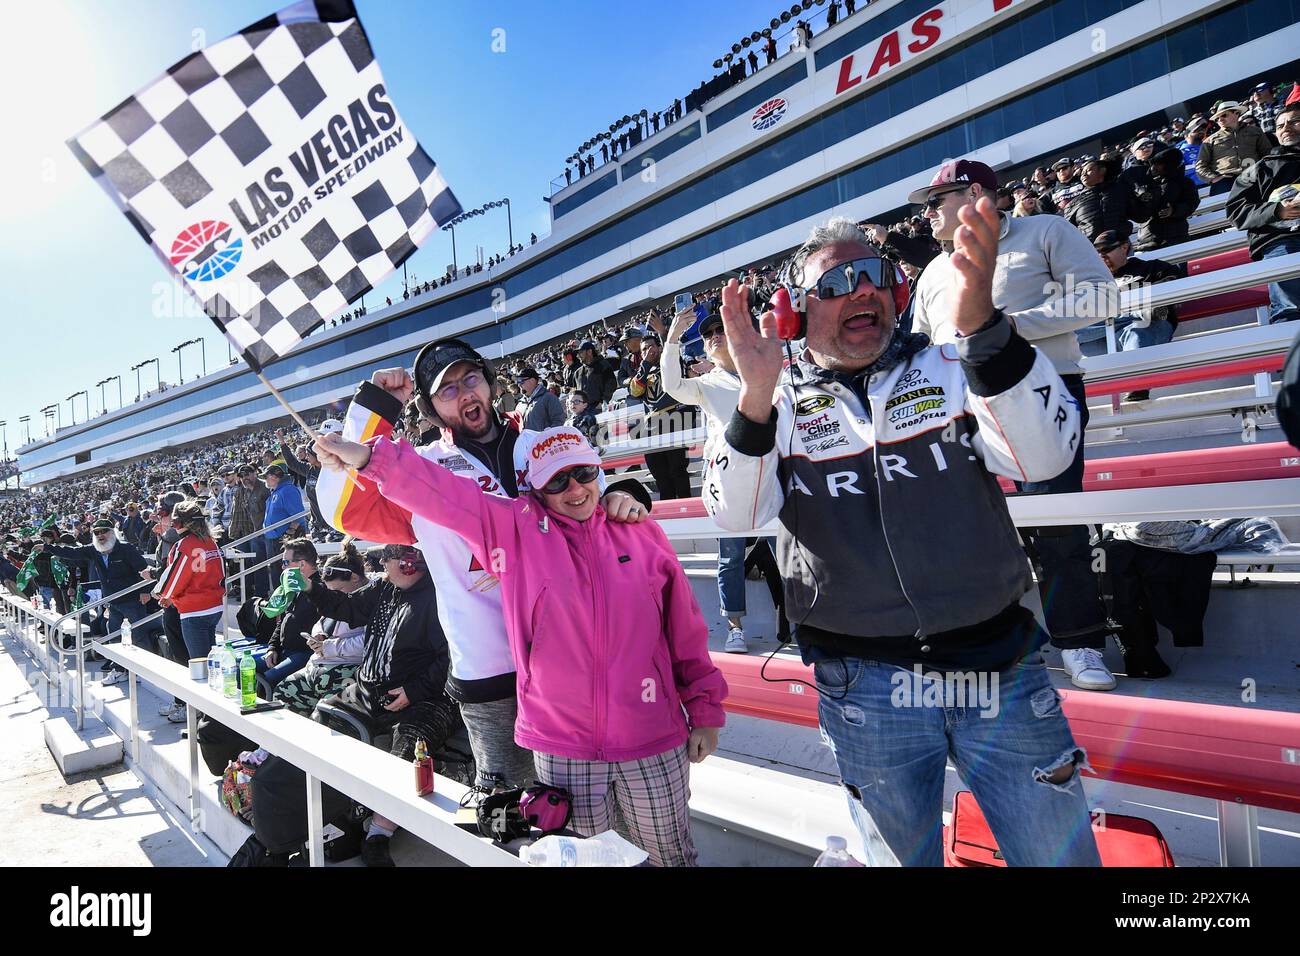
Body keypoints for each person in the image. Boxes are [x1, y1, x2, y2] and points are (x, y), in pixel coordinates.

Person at [704, 206, 1099, 867]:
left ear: (896, 292)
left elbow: (1044, 458)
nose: (861, 290)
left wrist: (985, 335)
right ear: (796, 314)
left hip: (1000, 669)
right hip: (864, 687)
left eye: (874, 275)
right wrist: (756, 397)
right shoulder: (772, 399)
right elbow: (737, 515)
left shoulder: (956, 362)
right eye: (838, 283)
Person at [315, 425, 728, 867]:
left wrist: (704, 712)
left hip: (651, 738)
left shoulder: (642, 535)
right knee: (585, 861)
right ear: (535, 489)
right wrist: (368, 458)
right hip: (564, 746)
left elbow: (685, 631)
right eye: (556, 480)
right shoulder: (516, 529)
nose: (574, 489)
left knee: (671, 858)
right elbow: (443, 493)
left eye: (584, 473)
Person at [313, 338, 649, 794]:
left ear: (490, 384)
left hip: (573, 657)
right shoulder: (421, 469)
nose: (464, 393)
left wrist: (621, 495)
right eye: (446, 389)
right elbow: (341, 510)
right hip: (488, 667)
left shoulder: (545, 445)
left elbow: (594, 498)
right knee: (509, 807)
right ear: (430, 409)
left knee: (588, 796)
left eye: (470, 378)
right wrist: (374, 409)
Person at [910, 159, 1122, 691]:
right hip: (951, 408)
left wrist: (1000, 329)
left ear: (976, 192)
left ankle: (1080, 642)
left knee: (1052, 520)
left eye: (935, 201)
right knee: (959, 525)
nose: (926, 215)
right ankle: (976, 642)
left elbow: (1102, 296)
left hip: (1040, 390)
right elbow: (915, 346)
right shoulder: (933, 271)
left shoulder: (1046, 230)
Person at [291, 543, 472, 866]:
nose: (381, 564)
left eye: (387, 558)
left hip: (426, 698)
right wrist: (310, 587)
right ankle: (334, 807)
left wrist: (414, 692)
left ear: (409, 563)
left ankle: (379, 832)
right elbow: (346, 608)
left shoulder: (443, 596)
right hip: (369, 688)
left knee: (407, 749)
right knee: (322, 717)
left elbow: (452, 656)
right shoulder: (384, 588)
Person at [659, 307, 789, 652]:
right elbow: (671, 386)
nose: (714, 335)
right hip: (727, 480)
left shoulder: (761, 371)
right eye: (707, 333)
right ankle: (734, 626)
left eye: (720, 329)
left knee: (785, 551)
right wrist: (672, 339)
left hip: (770, 473)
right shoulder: (706, 384)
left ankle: (797, 619)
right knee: (730, 557)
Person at [44, 518, 156, 684]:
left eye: (104, 531)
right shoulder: (93, 550)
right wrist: (47, 548)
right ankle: (120, 670)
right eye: (96, 532)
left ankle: (146, 672)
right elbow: (72, 553)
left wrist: (146, 592)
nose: (100, 535)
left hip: (132, 600)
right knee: (114, 636)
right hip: (112, 601)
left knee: (139, 636)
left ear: (112, 532)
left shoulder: (126, 549)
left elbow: (144, 570)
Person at [272, 541, 369, 716]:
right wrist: (319, 635)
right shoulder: (337, 596)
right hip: (317, 666)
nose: (335, 598)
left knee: (323, 717)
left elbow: (368, 642)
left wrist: (328, 647)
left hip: (345, 672)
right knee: (281, 695)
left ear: (354, 578)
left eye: (338, 591)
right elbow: (322, 621)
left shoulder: (369, 600)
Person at [1226, 96, 1300, 324]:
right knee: (1291, 311)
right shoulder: (1260, 168)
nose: (1286, 128)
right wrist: (1277, 211)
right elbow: (1236, 211)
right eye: (1279, 125)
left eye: (1295, 121)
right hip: (1281, 241)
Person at [1092, 230, 1187, 402]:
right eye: (1097, 252)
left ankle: (1137, 385)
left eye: (1105, 250)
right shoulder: (1095, 280)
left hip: (1145, 325)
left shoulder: (1151, 267)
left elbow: (1174, 284)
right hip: (1108, 329)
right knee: (1072, 330)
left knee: (1139, 326)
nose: (1101, 256)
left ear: (1124, 247)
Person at [152, 500, 225, 662]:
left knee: (201, 663)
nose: (174, 527)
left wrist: (163, 594)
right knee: (211, 660)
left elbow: (176, 577)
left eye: (176, 523)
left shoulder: (184, 544)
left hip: (195, 610)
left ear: (187, 523)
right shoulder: (211, 541)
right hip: (214, 606)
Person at [629, 331, 695, 500]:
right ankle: (669, 514)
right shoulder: (642, 372)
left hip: (675, 418)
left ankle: (686, 509)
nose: (648, 351)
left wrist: (664, 333)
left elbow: (674, 357)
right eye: (643, 349)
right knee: (659, 474)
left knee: (677, 469)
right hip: (652, 425)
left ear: (659, 347)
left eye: (651, 346)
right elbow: (635, 390)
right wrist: (645, 364)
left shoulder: (671, 363)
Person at [256, 536, 321, 689]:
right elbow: (284, 621)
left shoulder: (322, 590)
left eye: (285, 562)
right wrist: (272, 648)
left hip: (305, 653)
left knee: (267, 679)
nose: (283, 567)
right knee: (243, 668)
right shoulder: (295, 586)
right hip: (284, 651)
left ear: (302, 564)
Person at [1062, 155, 1155, 243]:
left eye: (1089, 170)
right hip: (1091, 251)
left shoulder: (1121, 191)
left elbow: (1141, 216)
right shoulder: (1074, 204)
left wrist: (1147, 199)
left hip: (1121, 246)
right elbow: (1067, 234)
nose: (1084, 175)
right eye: (1082, 173)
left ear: (1102, 170)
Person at [1132, 145, 1201, 251]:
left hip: (1175, 236)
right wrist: (1140, 196)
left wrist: (1173, 210)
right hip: (1147, 238)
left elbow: (1192, 203)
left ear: (1169, 165)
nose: (1153, 168)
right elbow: (1135, 210)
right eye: (1153, 165)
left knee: (1178, 267)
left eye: (1157, 165)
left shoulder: (1185, 183)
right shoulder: (1146, 184)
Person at [1197, 100, 1271, 195]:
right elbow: (1200, 166)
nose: (1220, 120)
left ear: (1236, 113)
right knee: (1223, 209)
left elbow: (1267, 153)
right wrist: (1213, 178)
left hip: (1254, 175)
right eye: (1217, 118)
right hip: (1225, 180)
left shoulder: (1255, 131)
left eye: (1224, 115)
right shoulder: (1209, 140)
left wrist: (1263, 171)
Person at [228, 465, 270, 596]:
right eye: (241, 476)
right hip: (255, 533)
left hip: (268, 532)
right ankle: (258, 594)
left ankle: (264, 593)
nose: (244, 478)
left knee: (266, 565)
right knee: (254, 565)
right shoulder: (245, 491)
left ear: (255, 473)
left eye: (247, 474)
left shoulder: (264, 488)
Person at [575, 339, 617, 409]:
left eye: (581, 352)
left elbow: (611, 385)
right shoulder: (577, 372)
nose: (578, 355)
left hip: (598, 409)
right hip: (583, 410)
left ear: (589, 351)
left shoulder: (603, 365)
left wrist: (602, 402)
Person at [1178, 116, 1211, 188]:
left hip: (1217, 185)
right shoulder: (1178, 153)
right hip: (1196, 189)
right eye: (1198, 128)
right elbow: (1179, 173)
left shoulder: (1210, 146)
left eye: (1205, 128)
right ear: (1187, 132)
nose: (1203, 130)